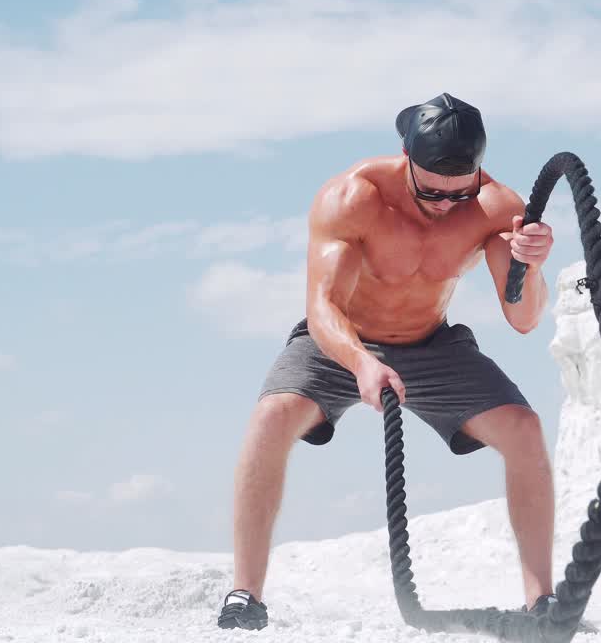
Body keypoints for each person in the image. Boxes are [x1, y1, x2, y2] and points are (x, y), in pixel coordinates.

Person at [217, 93, 557, 631]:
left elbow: (523, 319)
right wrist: (359, 362)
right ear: (406, 158)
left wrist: (532, 268)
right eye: (431, 191)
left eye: (459, 192)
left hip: (432, 344)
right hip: (340, 340)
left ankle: (542, 601)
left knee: (524, 427)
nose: (446, 204)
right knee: (271, 416)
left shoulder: (495, 208)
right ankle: (245, 595)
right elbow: (322, 306)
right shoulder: (353, 198)